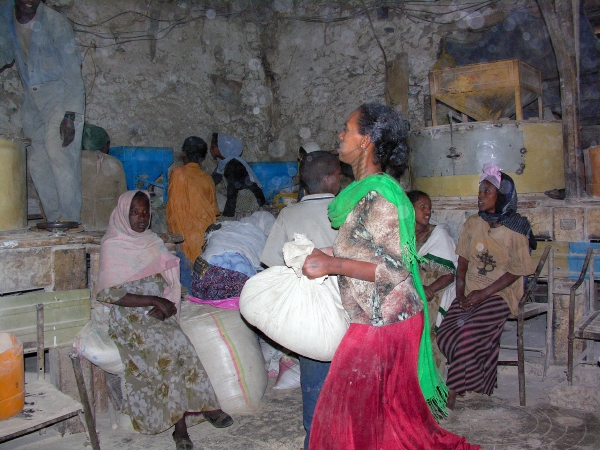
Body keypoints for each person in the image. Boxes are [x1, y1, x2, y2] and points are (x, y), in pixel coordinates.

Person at [302, 103, 478, 449]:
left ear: (365, 140)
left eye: (347, 129)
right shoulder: (362, 193)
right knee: (387, 422)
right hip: (377, 318)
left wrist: (332, 265)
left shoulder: (379, 197)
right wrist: (325, 253)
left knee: (343, 415)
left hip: (386, 321)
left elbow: (394, 269)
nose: (340, 134)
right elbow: (368, 249)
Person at [95, 190, 233, 450]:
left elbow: (170, 284)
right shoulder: (113, 245)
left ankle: (207, 405)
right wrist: (155, 301)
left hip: (157, 311)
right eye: (134, 212)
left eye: (145, 212)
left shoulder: (153, 241)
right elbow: (108, 293)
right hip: (129, 317)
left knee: (182, 342)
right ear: (123, 213)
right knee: (164, 349)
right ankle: (180, 427)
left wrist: (167, 305)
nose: (141, 217)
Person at [437, 162, 536, 410]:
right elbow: (462, 264)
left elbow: (517, 270)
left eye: (486, 191)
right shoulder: (473, 223)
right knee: (446, 334)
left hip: (500, 294)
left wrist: (484, 293)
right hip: (471, 291)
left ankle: (452, 390)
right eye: (480, 191)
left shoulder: (516, 229)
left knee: (468, 334)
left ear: (501, 196)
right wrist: (460, 294)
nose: (480, 196)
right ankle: (474, 381)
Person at [261, 151, 341, 450]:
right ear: (330, 179)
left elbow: (272, 264)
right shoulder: (347, 212)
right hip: (352, 308)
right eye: (339, 175)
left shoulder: (289, 215)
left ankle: (316, 439)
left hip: (311, 313)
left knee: (315, 381)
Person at [0, 0, 85, 223]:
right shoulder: (5, 16)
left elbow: (73, 70)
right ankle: (55, 220)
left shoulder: (55, 22)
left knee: (58, 152)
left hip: (61, 95)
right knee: (37, 162)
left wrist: (70, 115)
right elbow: (3, 52)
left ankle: (70, 221)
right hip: (32, 100)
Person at [407, 190, 457, 372]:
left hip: (434, 294)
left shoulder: (438, 235)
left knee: (428, 332)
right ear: (409, 209)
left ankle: (434, 378)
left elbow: (450, 274)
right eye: (422, 207)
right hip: (410, 290)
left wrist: (427, 289)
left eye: (429, 208)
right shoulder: (403, 235)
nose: (428, 211)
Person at [167, 136, 220, 290]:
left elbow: (174, 208)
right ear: (203, 157)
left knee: (187, 281)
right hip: (203, 237)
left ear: (183, 153)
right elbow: (214, 210)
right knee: (202, 279)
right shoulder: (207, 178)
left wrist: (176, 236)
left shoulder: (178, 173)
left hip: (183, 235)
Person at [80, 124, 127, 231]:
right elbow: (122, 197)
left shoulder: (74, 162)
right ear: (104, 145)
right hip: (107, 226)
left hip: (80, 225)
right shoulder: (114, 163)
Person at [210, 133, 265, 217]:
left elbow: (232, 192)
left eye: (213, 147)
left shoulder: (233, 165)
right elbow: (212, 181)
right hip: (243, 200)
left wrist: (228, 215)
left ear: (222, 148)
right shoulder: (223, 163)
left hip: (250, 204)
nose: (211, 150)